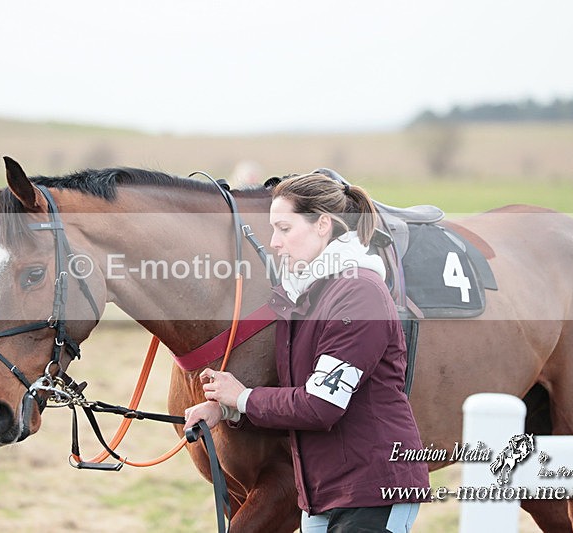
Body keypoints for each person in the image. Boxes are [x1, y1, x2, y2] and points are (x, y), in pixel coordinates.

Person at [184, 172, 430, 532]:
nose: (274, 243)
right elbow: (295, 398)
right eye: (273, 230)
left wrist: (244, 397)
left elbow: (321, 405)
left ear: (323, 225)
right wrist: (227, 408)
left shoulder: (358, 294)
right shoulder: (303, 297)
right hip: (320, 497)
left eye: (284, 228)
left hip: (373, 490)